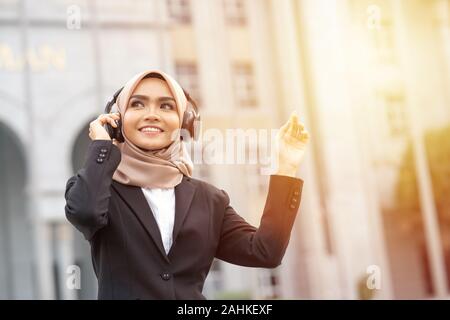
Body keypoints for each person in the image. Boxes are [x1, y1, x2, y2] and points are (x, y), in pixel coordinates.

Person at [64, 69, 310, 299]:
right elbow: (85, 213)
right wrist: (101, 146)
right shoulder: (99, 189)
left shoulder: (210, 199)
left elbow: (266, 251)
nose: (152, 113)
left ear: (184, 121)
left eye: (166, 106)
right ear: (117, 119)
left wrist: (285, 167)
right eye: (137, 104)